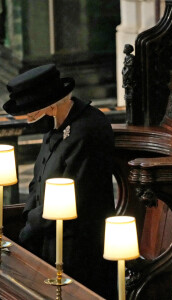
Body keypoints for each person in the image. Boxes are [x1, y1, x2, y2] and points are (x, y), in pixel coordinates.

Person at [3, 64, 117, 299]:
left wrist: (30, 226)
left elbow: (77, 196)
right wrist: (28, 217)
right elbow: (38, 178)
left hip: (77, 247)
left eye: (32, 115)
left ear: (51, 107)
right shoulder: (57, 123)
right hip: (47, 233)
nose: (29, 121)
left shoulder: (88, 130)